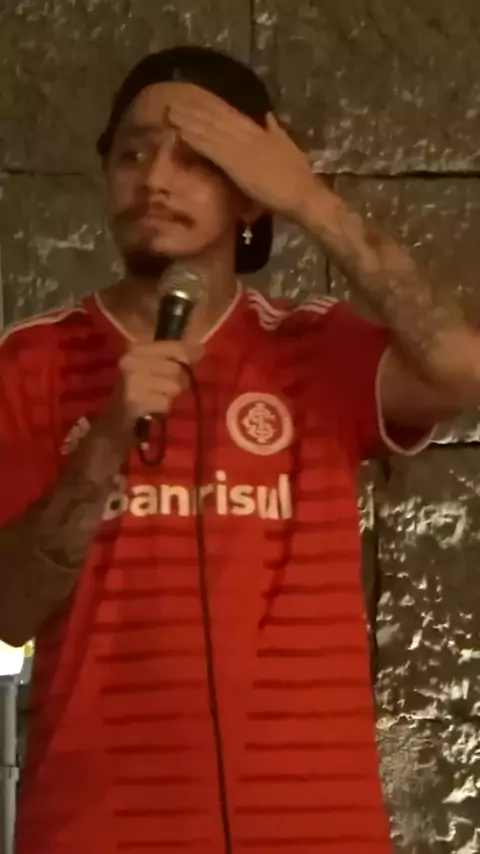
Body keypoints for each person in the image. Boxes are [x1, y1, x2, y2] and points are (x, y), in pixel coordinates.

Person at [0, 45, 476, 854]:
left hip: (312, 830)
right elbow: (9, 612)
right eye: (134, 154)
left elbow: (463, 368)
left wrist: (310, 200)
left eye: (195, 159)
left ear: (250, 195)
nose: (155, 179)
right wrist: (106, 439)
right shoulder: (34, 361)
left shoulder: (314, 348)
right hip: (99, 829)